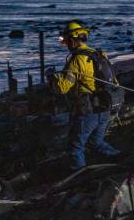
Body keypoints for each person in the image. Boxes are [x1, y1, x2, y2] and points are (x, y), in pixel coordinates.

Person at [47, 21, 120, 170]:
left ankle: (79, 176)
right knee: (96, 142)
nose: (66, 44)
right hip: (105, 107)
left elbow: (62, 87)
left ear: (73, 39)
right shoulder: (99, 54)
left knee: (75, 147)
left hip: (88, 111)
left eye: (66, 40)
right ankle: (119, 159)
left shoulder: (76, 60)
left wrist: (51, 77)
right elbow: (113, 80)